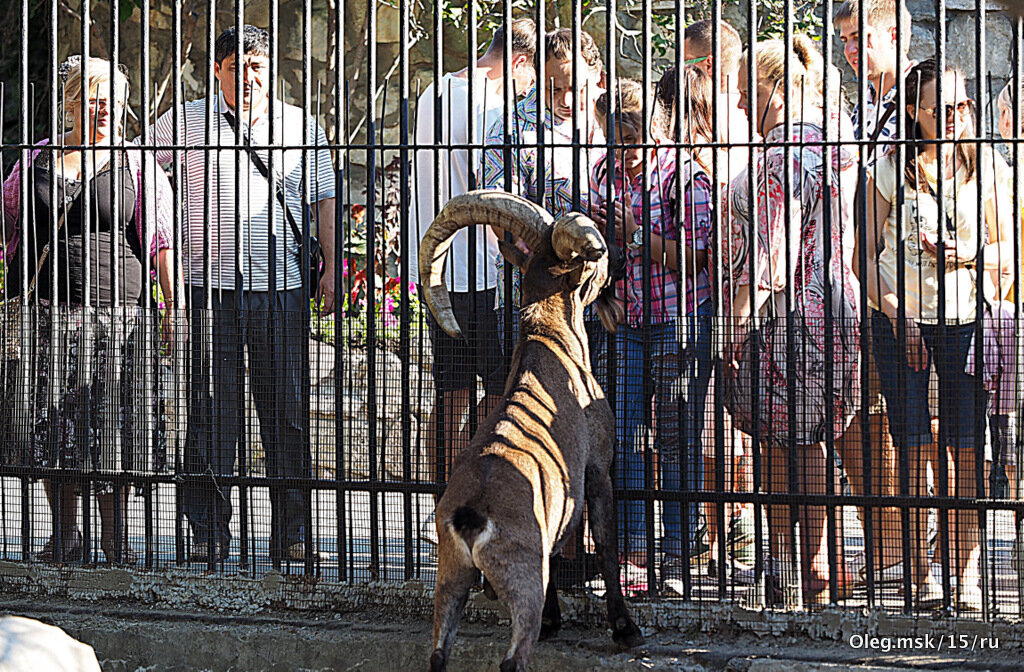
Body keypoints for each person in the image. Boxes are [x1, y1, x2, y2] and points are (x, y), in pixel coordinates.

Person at [149, 25, 337, 565]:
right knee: (212, 415)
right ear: (218, 71)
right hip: (211, 289)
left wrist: (330, 269)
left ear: (269, 68)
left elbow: (323, 197)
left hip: (281, 287)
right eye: (237, 68)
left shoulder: (299, 124)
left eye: (257, 67)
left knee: (287, 414)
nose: (249, 78)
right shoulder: (187, 120)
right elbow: (138, 164)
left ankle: (294, 535)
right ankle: (207, 533)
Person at [1, 56, 179, 565]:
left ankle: (115, 540)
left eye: (113, 100)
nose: (104, 110)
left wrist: (174, 308)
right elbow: (8, 218)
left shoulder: (137, 163)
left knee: (116, 427)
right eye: (92, 99)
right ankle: (66, 537)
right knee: (54, 426)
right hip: (50, 316)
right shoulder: (37, 158)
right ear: (71, 103)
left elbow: (161, 239)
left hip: (118, 318)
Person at [863, 59, 1013, 611]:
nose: (954, 117)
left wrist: (972, 253)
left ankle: (966, 570)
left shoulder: (988, 166)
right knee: (911, 446)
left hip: (968, 321)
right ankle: (920, 572)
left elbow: (1009, 249)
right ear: (912, 113)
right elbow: (863, 257)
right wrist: (898, 314)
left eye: (962, 106)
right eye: (940, 109)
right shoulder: (888, 169)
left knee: (967, 447)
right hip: (901, 320)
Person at [724, 36, 861, 606]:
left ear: (775, 88)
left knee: (792, 446)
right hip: (836, 303)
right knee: (807, 440)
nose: (737, 106)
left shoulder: (777, 158)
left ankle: (798, 570)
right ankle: (801, 569)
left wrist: (732, 323)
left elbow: (767, 258)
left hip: (784, 317)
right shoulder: (838, 143)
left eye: (743, 93)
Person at [411, 18, 537, 545]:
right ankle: (468, 491)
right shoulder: (492, 104)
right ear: (520, 62)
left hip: (439, 265)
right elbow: (498, 196)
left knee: (451, 390)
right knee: (501, 393)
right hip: (487, 270)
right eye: (533, 84)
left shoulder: (432, 93)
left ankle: (440, 501)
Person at [590, 78, 713, 595]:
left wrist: (636, 232)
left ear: (650, 133)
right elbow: (590, 248)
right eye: (612, 142)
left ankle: (681, 554)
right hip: (628, 322)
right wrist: (602, 296)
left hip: (678, 321)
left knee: (677, 438)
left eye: (628, 142)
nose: (621, 155)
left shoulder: (685, 176)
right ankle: (635, 552)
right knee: (625, 438)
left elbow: (700, 255)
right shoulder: (602, 174)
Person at [652, 63, 756, 580]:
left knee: (711, 431)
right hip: (696, 311)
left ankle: (716, 542)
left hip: (715, 308)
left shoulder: (706, 165)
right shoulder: (681, 169)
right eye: (709, 107)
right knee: (691, 430)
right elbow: (705, 249)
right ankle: (693, 543)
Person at [480, 27, 606, 338]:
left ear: (597, 75)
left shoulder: (612, 121)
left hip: (604, 295)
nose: (566, 99)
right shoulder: (511, 129)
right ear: (537, 75)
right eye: (555, 89)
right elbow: (501, 211)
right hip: (534, 294)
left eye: (577, 87)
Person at [835, 0, 915, 146]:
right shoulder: (864, 103)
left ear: (894, 36)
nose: (848, 50)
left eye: (858, 37)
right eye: (845, 41)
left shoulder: (924, 94)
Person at [682, 19, 750, 186]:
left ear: (709, 64)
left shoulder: (701, 111)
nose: (681, 70)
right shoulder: (761, 107)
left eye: (685, 62)